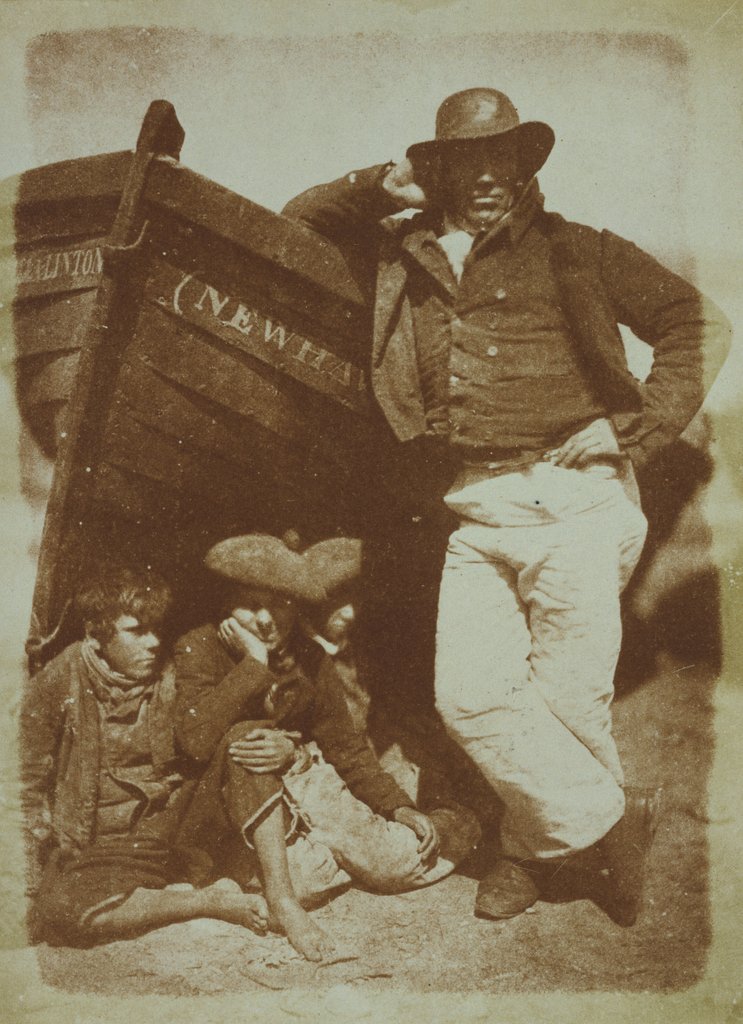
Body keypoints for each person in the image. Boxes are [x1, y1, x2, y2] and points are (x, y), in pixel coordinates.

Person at [283, 87, 732, 924]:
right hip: (476, 504)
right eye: (469, 160)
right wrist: (381, 184)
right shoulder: (401, 250)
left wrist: (632, 432)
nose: (489, 176)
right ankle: (606, 823)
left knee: (567, 699)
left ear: (524, 168)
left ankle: (529, 857)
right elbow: (300, 222)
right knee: (471, 698)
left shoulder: (580, 250)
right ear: (440, 169)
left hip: (577, 500)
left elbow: (694, 322)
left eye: (505, 159)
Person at [173, 532, 480, 961]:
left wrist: (397, 807)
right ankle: (313, 872)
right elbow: (195, 742)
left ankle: (459, 818)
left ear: (296, 608)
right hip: (232, 800)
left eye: (278, 604)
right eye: (250, 604)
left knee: (395, 862)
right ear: (226, 605)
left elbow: (346, 746)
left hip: (303, 779)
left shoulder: (307, 656)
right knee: (299, 879)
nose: (264, 620)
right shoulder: (199, 646)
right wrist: (254, 664)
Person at [19, 567, 269, 947]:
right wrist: (29, 881)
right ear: (95, 634)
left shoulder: (173, 670)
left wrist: (283, 735)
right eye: (136, 632)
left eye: (156, 630)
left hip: (173, 825)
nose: (153, 643)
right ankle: (203, 902)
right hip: (103, 844)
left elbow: (226, 722)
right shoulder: (60, 678)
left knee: (240, 740)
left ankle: (189, 887)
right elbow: (24, 782)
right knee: (61, 911)